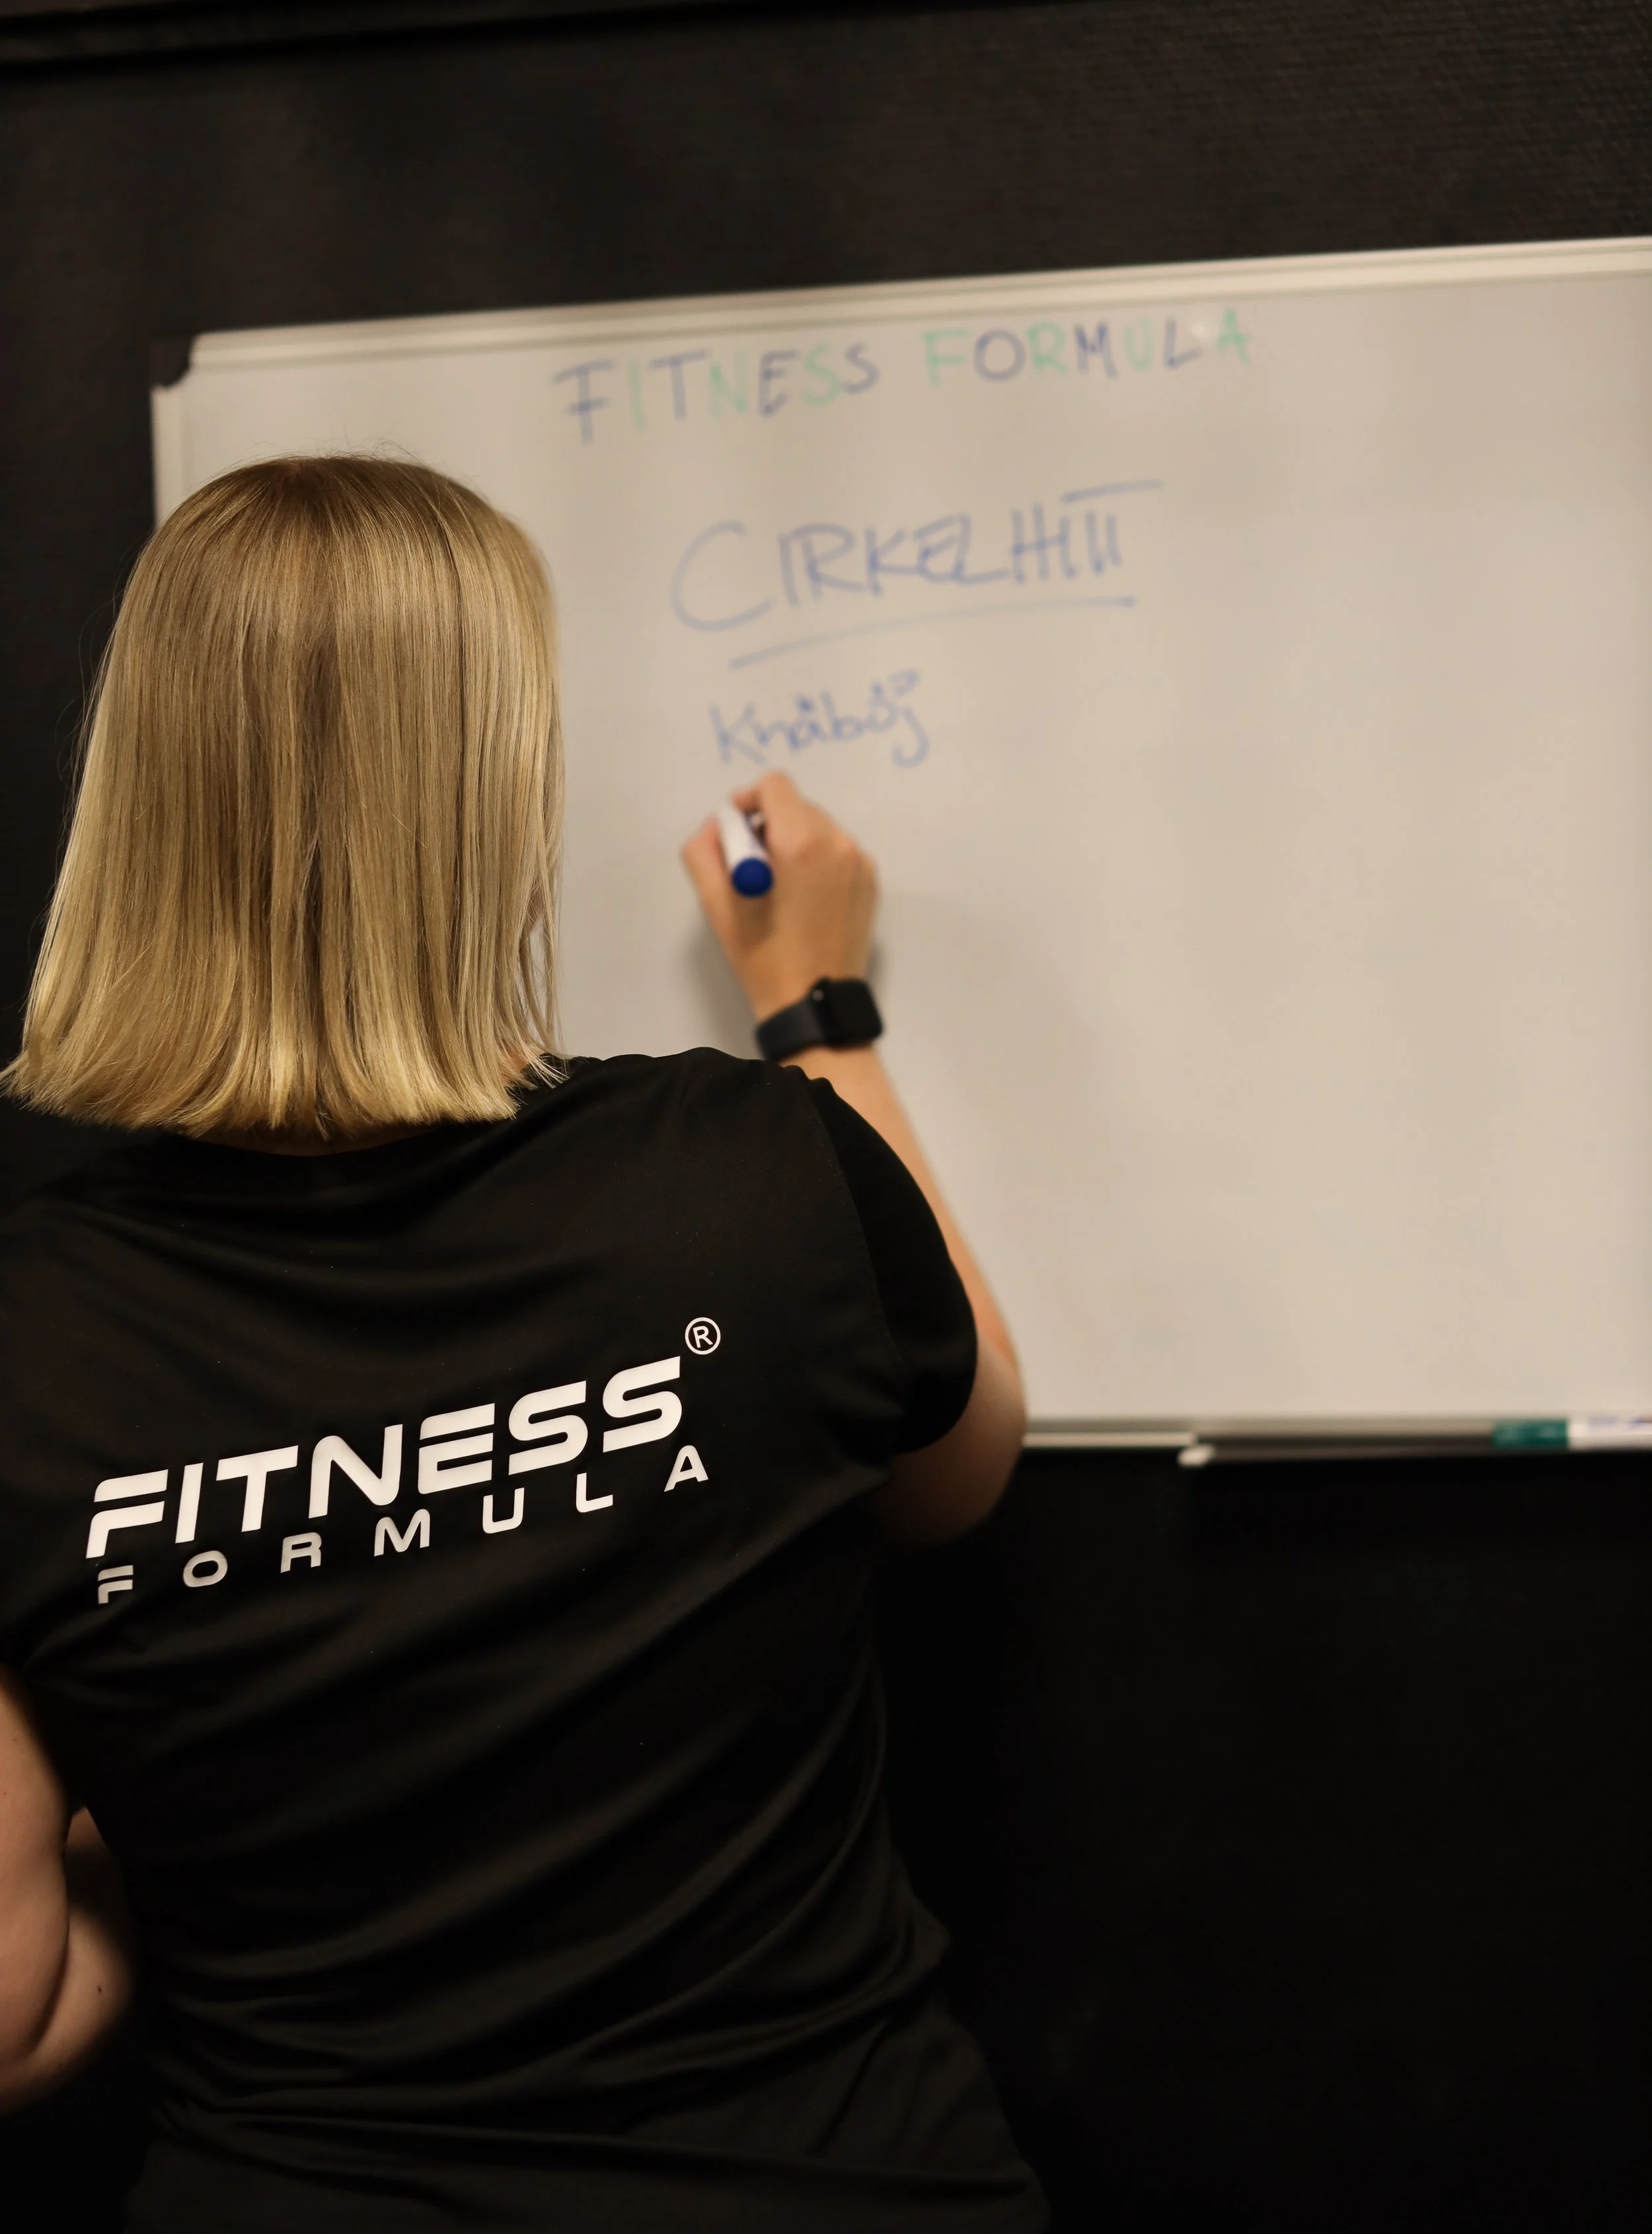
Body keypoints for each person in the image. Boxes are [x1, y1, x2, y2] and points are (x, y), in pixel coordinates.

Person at [0, 457, 1043, 2233]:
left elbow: (18, 2013)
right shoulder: (759, 1170)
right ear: (499, 787)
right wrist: (815, 1005)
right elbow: (961, 1465)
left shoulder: (28, 1327)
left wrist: (198, 1770)